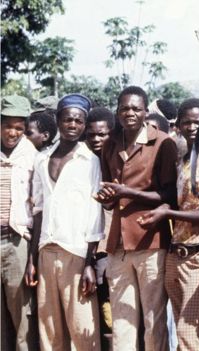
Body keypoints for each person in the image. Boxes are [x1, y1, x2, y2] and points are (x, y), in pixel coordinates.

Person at [95, 86, 177, 350]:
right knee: (121, 319)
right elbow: (112, 192)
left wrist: (126, 191)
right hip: (118, 244)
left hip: (150, 241)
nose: (129, 113)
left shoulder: (163, 142)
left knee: (153, 319)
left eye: (135, 108)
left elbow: (168, 195)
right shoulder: (110, 144)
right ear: (117, 111)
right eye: (124, 108)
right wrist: (108, 197)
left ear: (145, 112)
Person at [141, 98, 199, 350]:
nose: (192, 127)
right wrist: (166, 209)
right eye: (186, 122)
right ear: (177, 125)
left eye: (197, 122)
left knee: (188, 333)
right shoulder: (182, 158)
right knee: (181, 329)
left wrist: (167, 214)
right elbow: (178, 203)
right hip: (176, 252)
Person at [25, 94, 103, 350]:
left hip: (77, 252)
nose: (72, 125)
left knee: (82, 329)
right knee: (49, 329)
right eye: (67, 119)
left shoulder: (90, 161)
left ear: (84, 125)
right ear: (57, 121)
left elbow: (95, 212)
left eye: (78, 121)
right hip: (46, 250)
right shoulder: (42, 159)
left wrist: (90, 262)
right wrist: (31, 259)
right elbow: (38, 210)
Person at [0, 95, 38, 351]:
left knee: (22, 317)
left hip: (17, 241)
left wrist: (32, 257)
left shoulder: (34, 157)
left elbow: (38, 208)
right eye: (7, 125)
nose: (12, 132)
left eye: (19, 127)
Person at [85, 106, 116, 348]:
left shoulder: (116, 163)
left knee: (112, 314)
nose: (96, 139)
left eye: (102, 134)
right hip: (85, 249)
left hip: (108, 250)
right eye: (91, 135)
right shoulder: (82, 163)